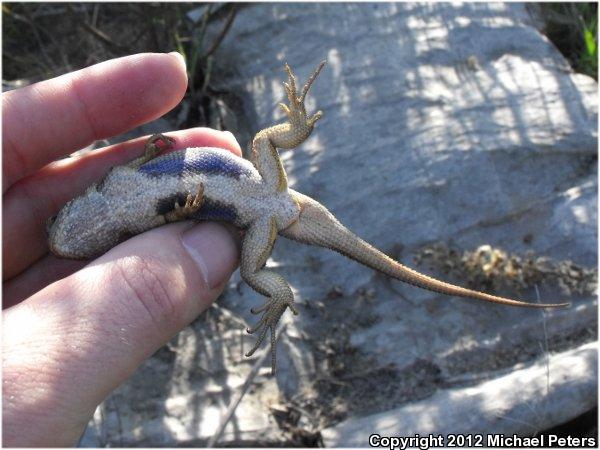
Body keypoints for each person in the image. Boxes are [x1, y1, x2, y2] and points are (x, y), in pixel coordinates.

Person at [3, 52, 242, 446]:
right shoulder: (117, 202)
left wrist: (150, 159)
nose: (54, 229)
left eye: (54, 220)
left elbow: (130, 183)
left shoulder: (114, 185)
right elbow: (149, 207)